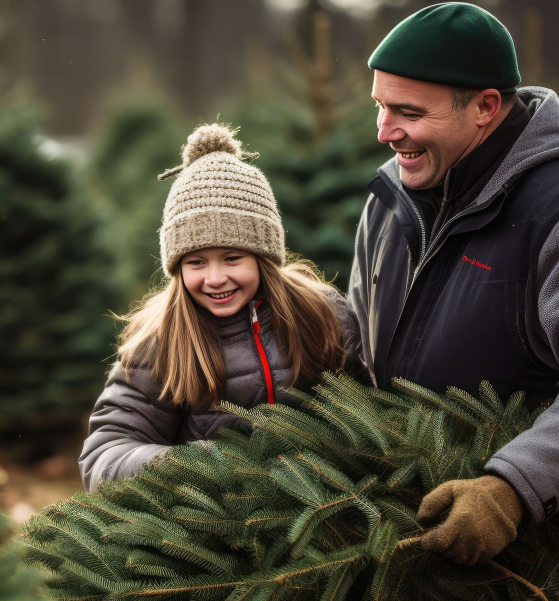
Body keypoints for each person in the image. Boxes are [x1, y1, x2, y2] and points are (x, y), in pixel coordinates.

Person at [349, 2, 559, 573]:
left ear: (485, 108)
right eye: (380, 106)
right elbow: (360, 342)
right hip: (414, 549)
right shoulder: (391, 202)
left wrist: (511, 490)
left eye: (407, 112)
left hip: (541, 570)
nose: (384, 131)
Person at [79, 123, 368, 492]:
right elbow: (104, 455)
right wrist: (190, 465)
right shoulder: (159, 343)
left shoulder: (322, 314)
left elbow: (370, 415)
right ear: (177, 268)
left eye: (232, 258)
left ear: (263, 257)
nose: (215, 278)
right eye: (195, 263)